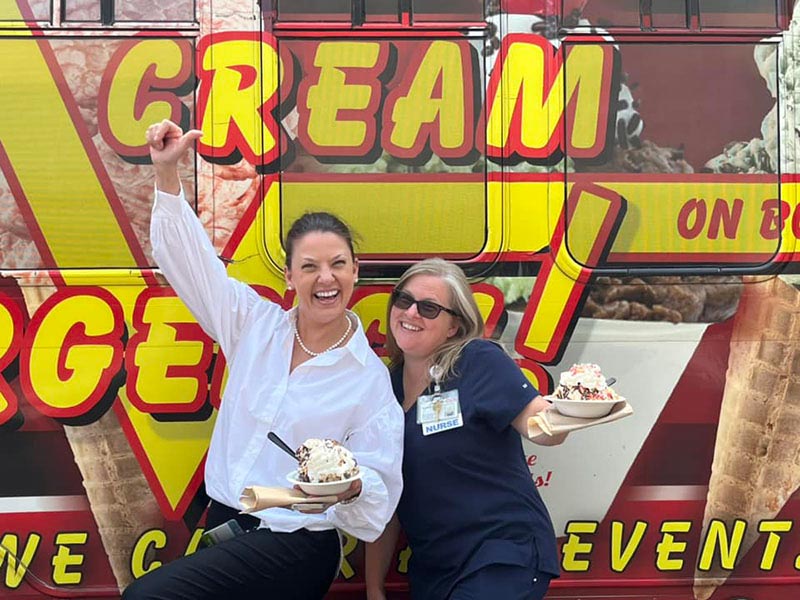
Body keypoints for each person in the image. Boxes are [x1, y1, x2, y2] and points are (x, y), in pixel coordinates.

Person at [122, 120, 404, 599]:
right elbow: (192, 266)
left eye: (338, 263)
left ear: (356, 271)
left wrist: (351, 486)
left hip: (298, 541)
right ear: (291, 276)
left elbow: (378, 494)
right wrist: (167, 177)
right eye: (310, 266)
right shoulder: (255, 325)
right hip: (228, 526)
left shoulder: (368, 379)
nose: (326, 278)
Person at [365, 258, 564, 600]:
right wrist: (374, 589)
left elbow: (541, 426)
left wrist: (575, 409)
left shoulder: (477, 360)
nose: (411, 313)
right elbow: (384, 500)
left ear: (454, 326)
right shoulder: (385, 389)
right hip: (436, 572)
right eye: (403, 300)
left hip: (501, 556)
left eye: (429, 308)